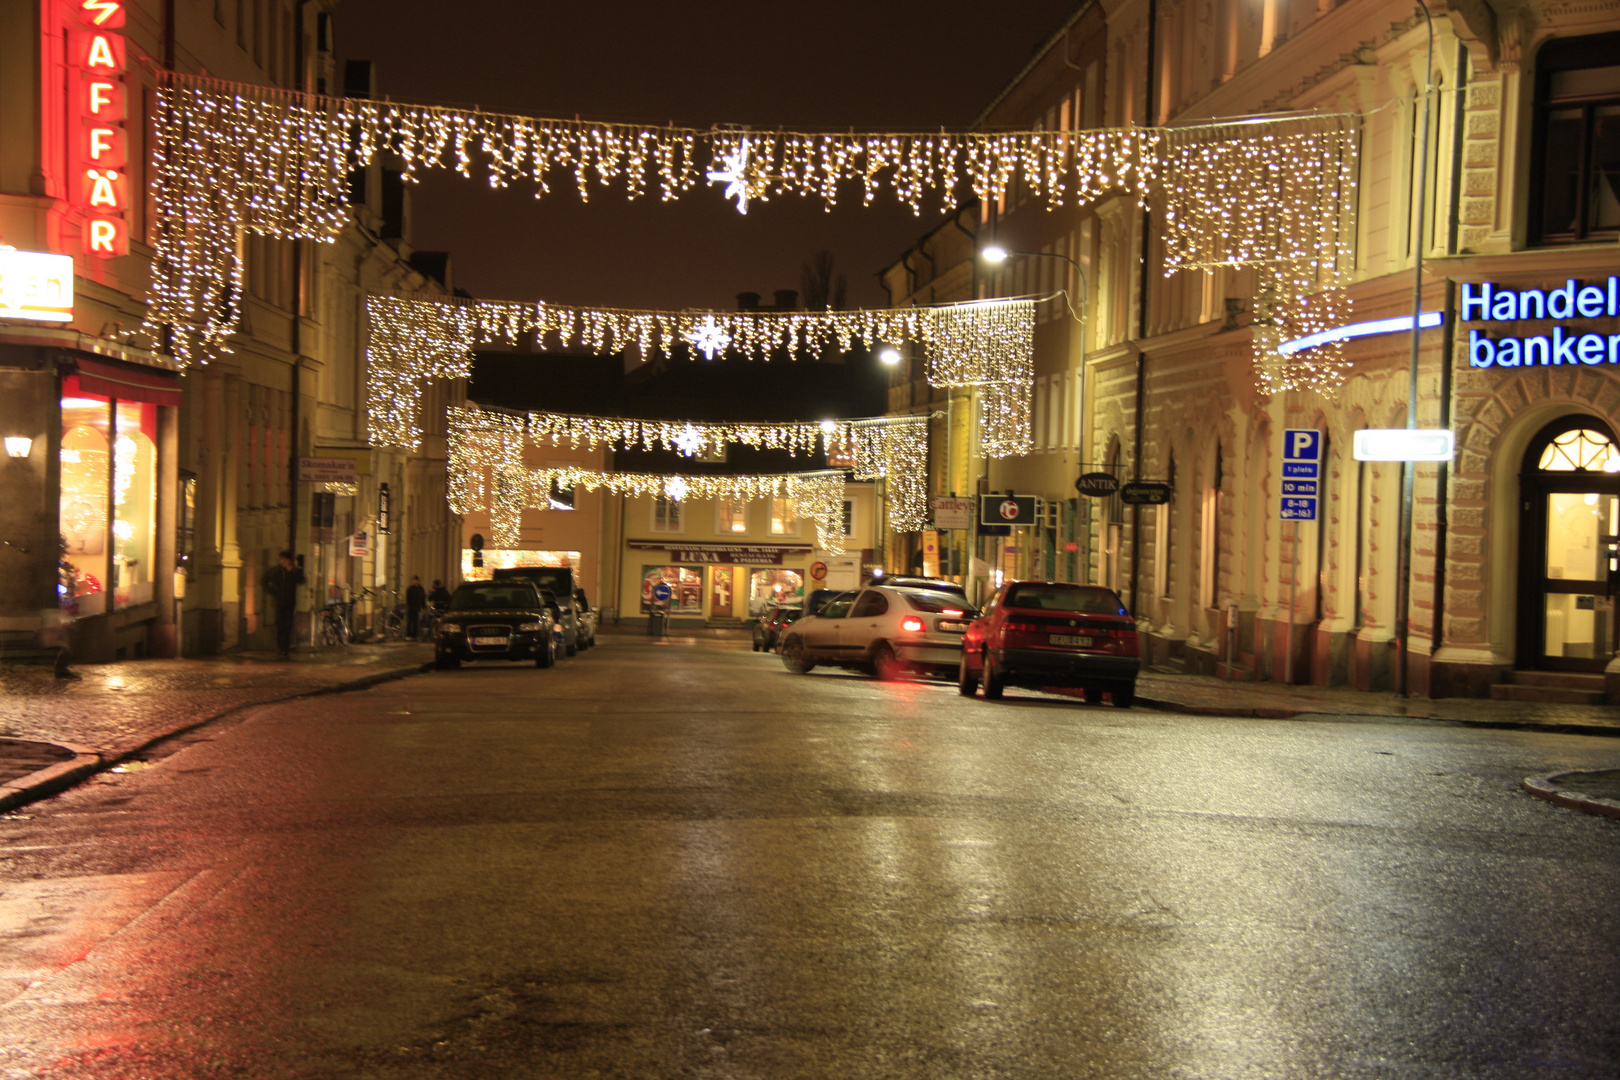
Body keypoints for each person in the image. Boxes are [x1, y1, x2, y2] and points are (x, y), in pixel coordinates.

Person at [261, 550, 305, 657]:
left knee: (288, 625)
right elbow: (264, 581)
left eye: (284, 559)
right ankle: (281, 647)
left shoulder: (293, 571)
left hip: (290, 602)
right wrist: (272, 592)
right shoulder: (276, 571)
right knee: (280, 625)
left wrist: (292, 571)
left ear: (289, 560)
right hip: (279, 601)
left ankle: (285, 648)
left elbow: (302, 580)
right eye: (281, 559)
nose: (282, 561)